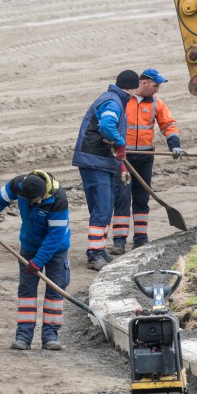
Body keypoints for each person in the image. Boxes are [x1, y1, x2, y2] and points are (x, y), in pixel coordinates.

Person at [0, 170, 70, 351]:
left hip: (56, 250)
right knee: (27, 292)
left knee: (54, 291)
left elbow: (55, 237)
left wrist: (39, 261)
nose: (35, 203)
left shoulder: (59, 198)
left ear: (44, 193)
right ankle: (23, 336)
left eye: (38, 200)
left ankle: (50, 336)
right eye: (32, 201)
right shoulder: (18, 185)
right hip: (29, 247)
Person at [111, 67, 183, 254]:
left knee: (142, 199)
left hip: (145, 158)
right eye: (155, 85)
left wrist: (174, 144)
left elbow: (168, 124)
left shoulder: (157, 104)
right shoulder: (123, 101)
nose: (157, 89)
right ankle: (119, 241)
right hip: (124, 158)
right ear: (143, 83)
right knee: (122, 198)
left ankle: (140, 239)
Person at [71, 70, 138, 271]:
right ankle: (94, 255)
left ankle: (99, 250)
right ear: (131, 87)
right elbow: (107, 126)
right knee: (101, 207)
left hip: (101, 162)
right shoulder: (113, 101)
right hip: (94, 161)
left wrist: (121, 164)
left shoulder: (115, 99)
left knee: (106, 207)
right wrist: (120, 143)